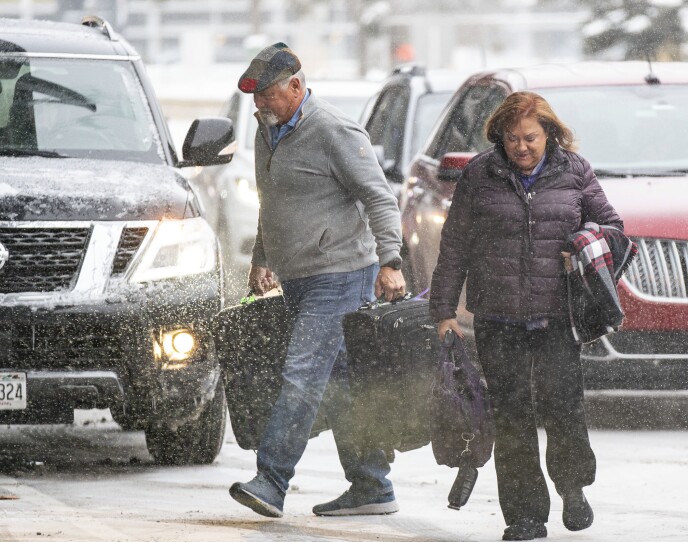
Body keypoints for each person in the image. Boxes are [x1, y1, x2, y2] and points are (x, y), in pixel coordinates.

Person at [430, 91, 622, 541]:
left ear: (549, 134)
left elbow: (613, 227)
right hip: (499, 317)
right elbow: (454, 246)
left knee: (564, 408)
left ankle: (572, 488)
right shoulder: (481, 174)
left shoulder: (575, 171)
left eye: (531, 138)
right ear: (500, 136)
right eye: (513, 138)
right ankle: (525, 516)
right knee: (512, 417)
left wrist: (585, 240)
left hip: (558, 316)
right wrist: (443, 311)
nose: (522, 147)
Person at [227, 42, 406, 518]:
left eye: (265, 94)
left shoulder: (334, 131)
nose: (258, 104)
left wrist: (391, 259)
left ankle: (271, 480)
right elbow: (273, 201)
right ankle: (372, 484)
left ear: (295, 86)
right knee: (342, 381)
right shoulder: (269, 131)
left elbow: (379, 199)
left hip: (342, 274)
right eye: (254, 96)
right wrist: (262, 257)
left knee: (302, 376)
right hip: (298, 278)